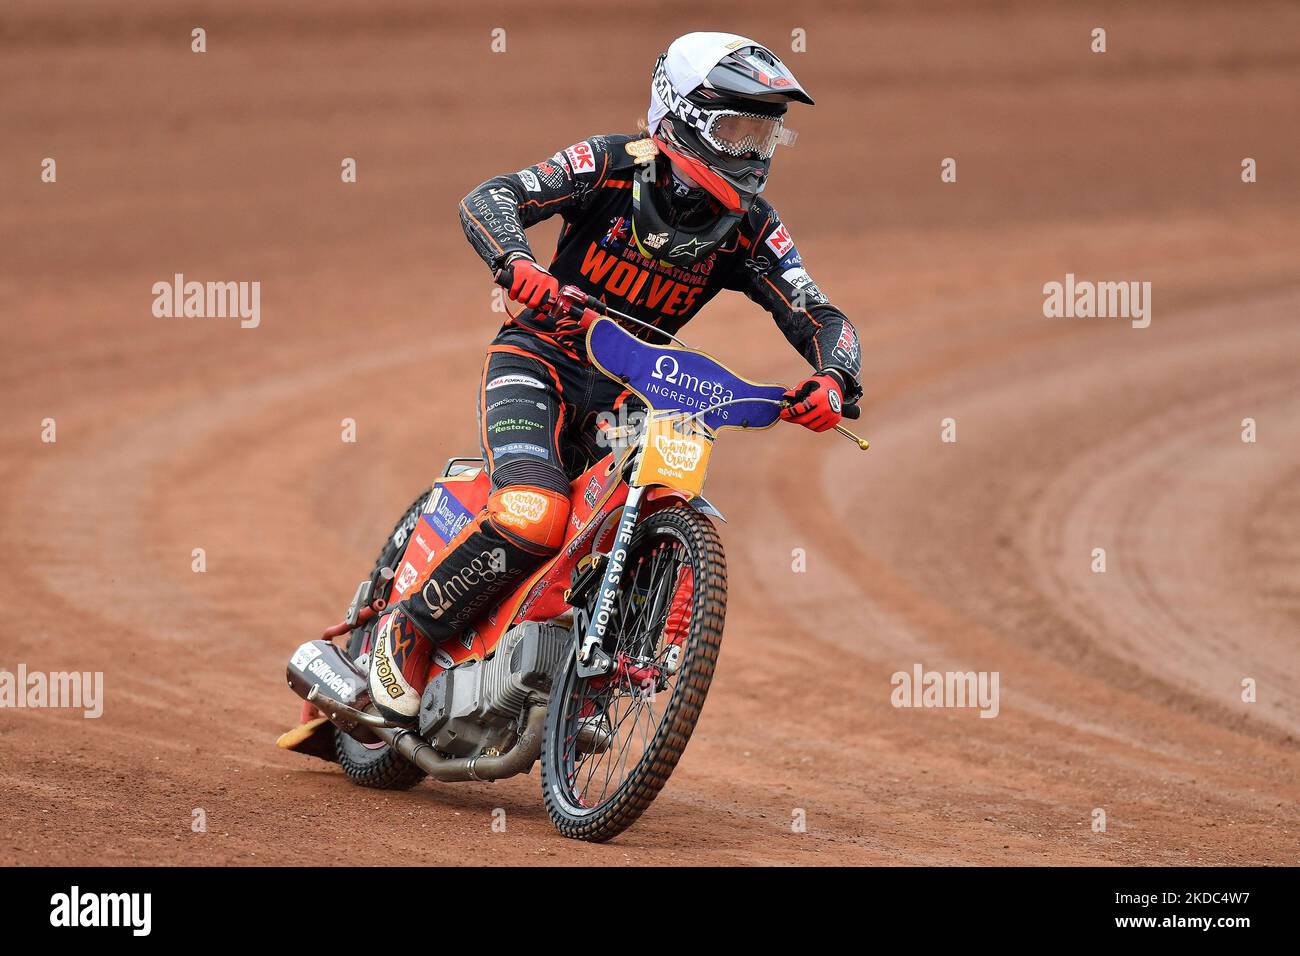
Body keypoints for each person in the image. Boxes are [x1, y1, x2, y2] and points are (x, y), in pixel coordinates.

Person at [367, 31, 864, 723]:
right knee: (536, 514)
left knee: (637, 512)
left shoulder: (752, 225)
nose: (752, 155)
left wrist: (835, 376)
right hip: (539, 360)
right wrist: (518, 264)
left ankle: (591, 677)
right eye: (738, 131)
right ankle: (409, 632)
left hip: (632, 397)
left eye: (765, 137)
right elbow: (492, 196)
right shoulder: (611, 162)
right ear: (682, 114)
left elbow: (817, 310)